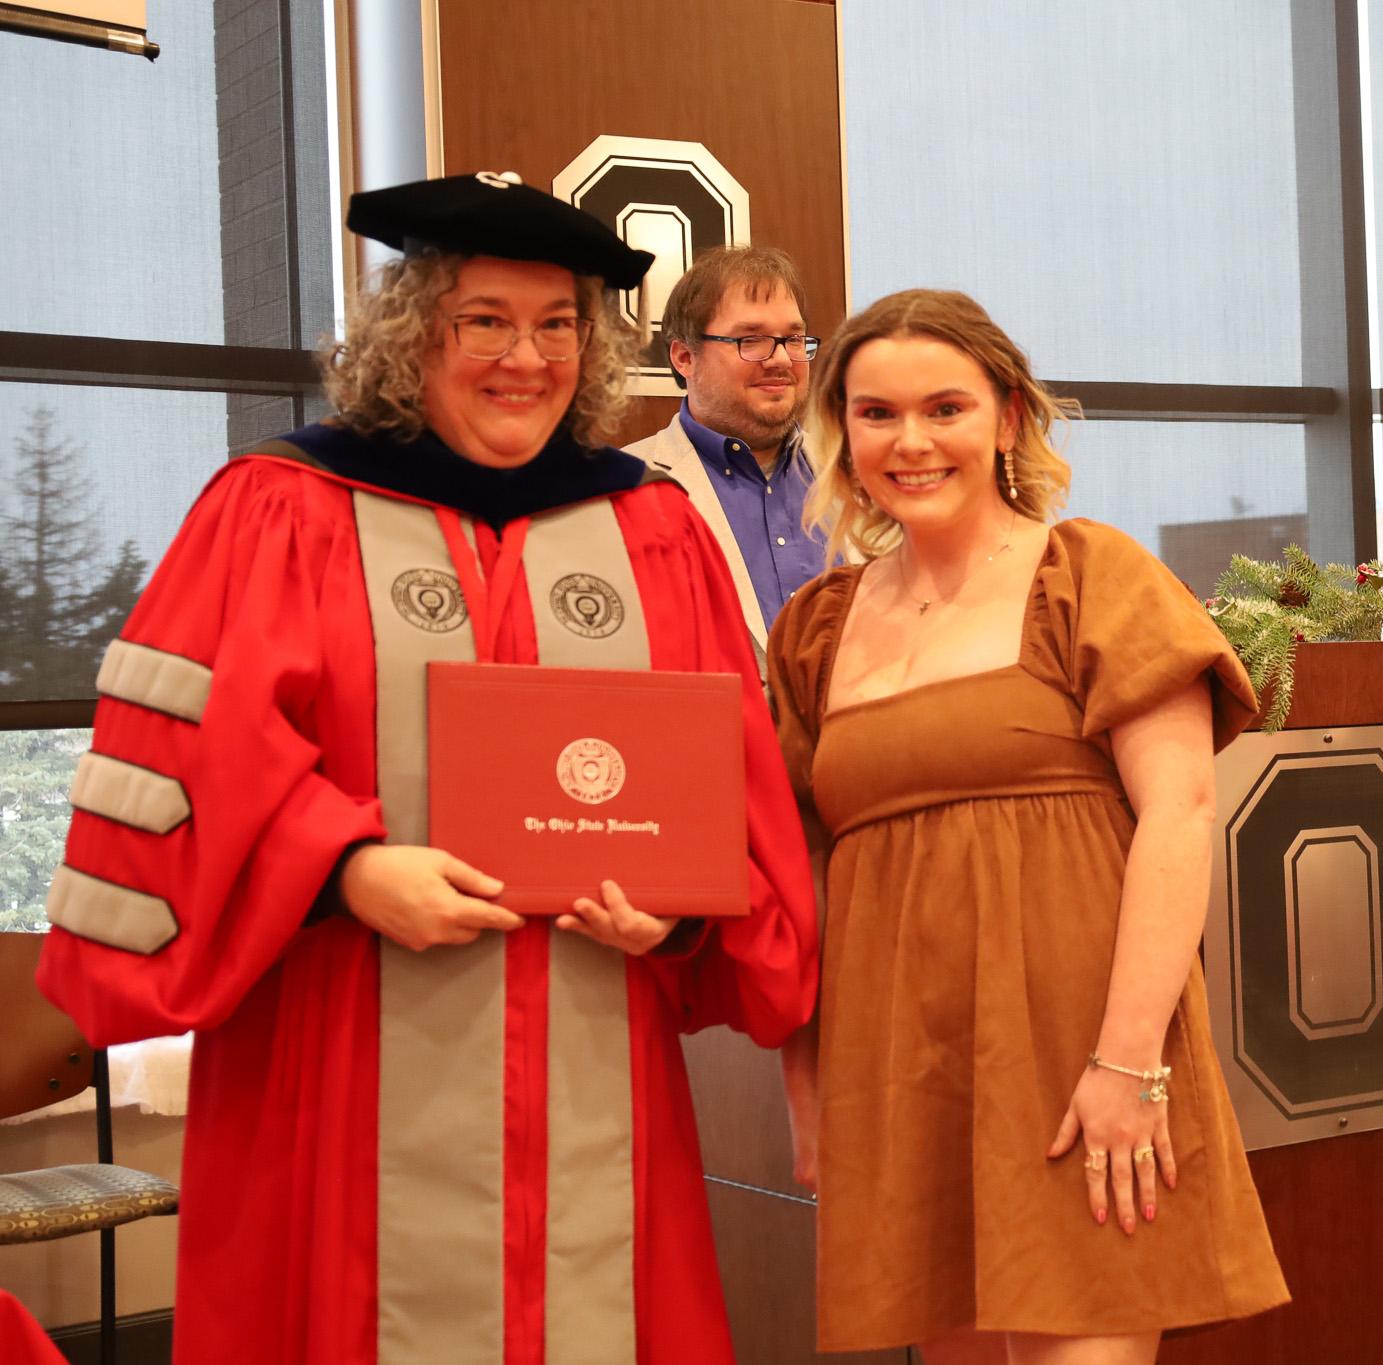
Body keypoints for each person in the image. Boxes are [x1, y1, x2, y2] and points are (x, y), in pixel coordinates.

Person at [35, 174, 818, 1364]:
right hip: (341, 1034)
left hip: (591, 1041)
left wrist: (672, 918)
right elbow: (195, 752)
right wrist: (341, 868)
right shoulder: (279, 508)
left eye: (556, 324)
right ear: (414, 337)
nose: (526, 357)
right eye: (484, 322)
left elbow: (724, 788)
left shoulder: (648, 529)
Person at [767, 289, 1288, 1361]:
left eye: (943, 407)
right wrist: (808, 1091)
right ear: (842, 430)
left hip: (1081, 1058)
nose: (910, 442)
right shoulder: (815, 629)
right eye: (876, 415)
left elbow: (1181, 813)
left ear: (1007, 417)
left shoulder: (1089, 575)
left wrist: (1128, 1067)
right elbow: (800, 877)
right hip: (901, 1069)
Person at [625, 245, 823, 657]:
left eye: (793, 338)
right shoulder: (624, 490)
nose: (782, 359)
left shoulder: (859, 474)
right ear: (684, 357)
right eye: (751, 340)